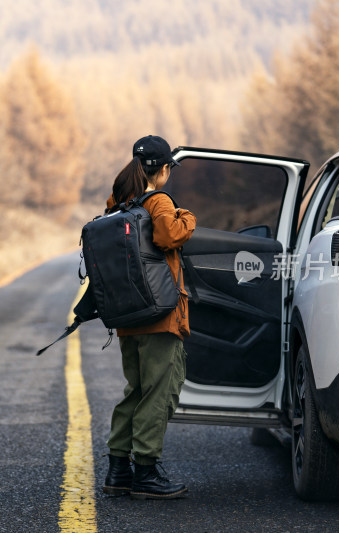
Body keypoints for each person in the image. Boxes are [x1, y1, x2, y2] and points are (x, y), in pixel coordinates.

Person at [102, 135, 197, 500]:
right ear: (163, 169)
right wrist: (186, 215)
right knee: (159, 393)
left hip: (128, 316)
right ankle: (145, 472)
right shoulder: (158, 200)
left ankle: (117, 469)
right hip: (159, 316)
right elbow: (169, 235)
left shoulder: (118, 202)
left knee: (136, 391)